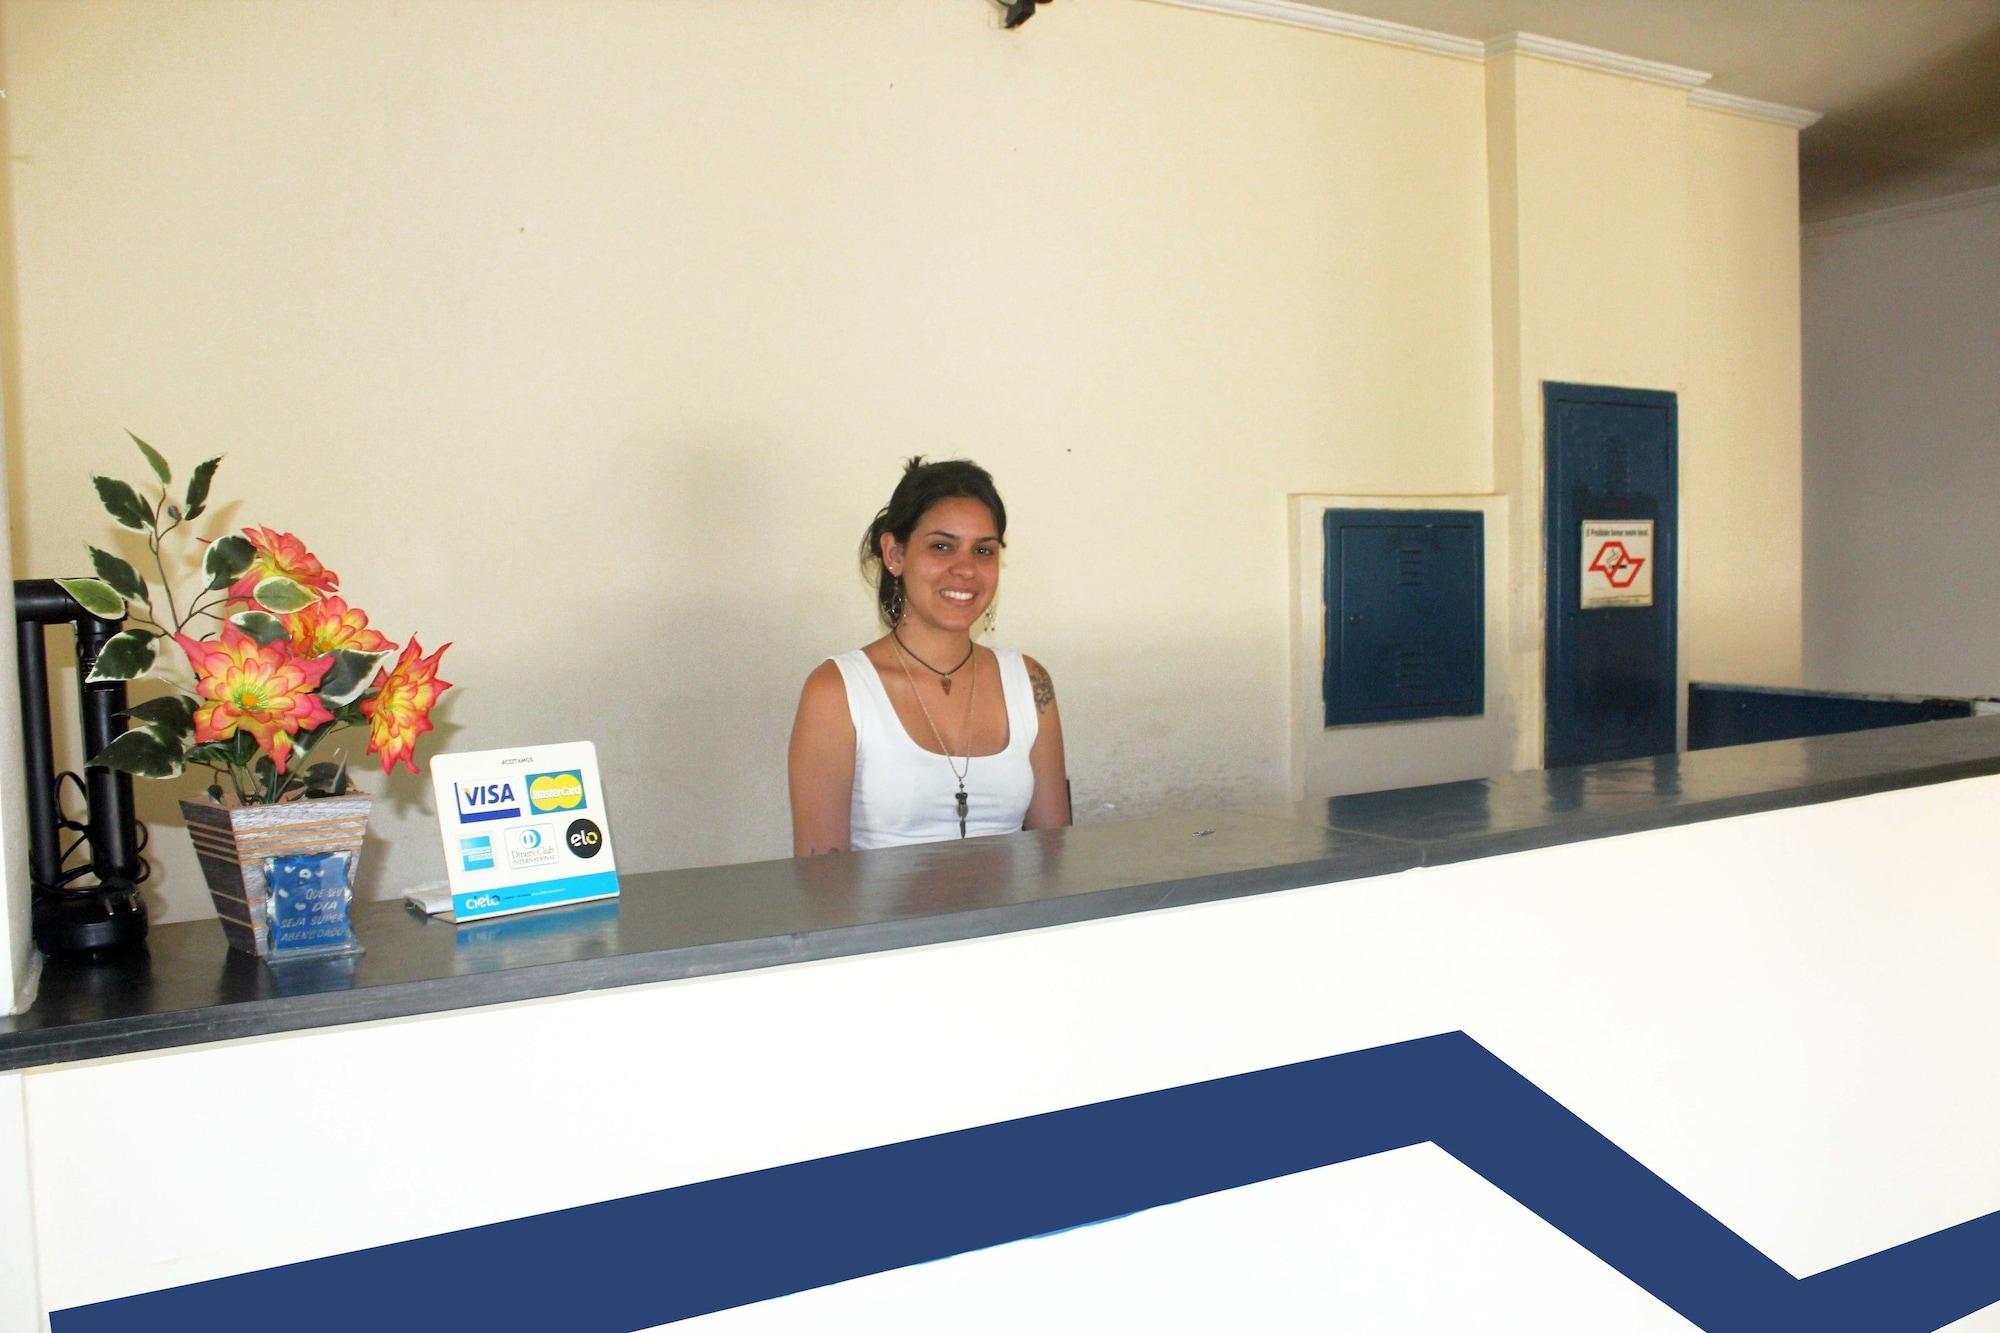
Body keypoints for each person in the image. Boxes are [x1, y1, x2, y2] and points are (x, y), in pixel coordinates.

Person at [789, 457, 1070, 855]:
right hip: (884, 919)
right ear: (895, 554)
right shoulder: (837, 691)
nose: (966, 569)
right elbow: (822, 884)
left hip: (1014, 918)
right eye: (942, 546)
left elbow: (1053, 857)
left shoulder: (1029, 680)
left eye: (984, 551)